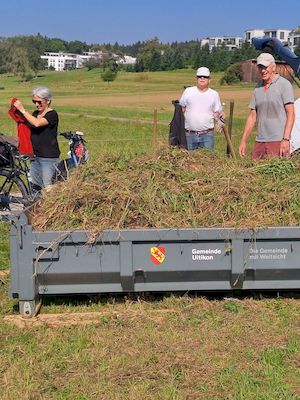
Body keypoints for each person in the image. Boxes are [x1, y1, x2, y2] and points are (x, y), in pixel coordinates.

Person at [239, 53, 295, 159]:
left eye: (265, 67)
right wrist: (243, 141)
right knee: (256, 173)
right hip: (260, 141)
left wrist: (286, 139)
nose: (263, 70)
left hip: (278, 141)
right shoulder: (257, 88)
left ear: (273, 67)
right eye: (260, 67)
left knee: (276, 174)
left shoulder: (284, 85)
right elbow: (252, 116)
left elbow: (291, 113)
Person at [13, 86, 60, 191]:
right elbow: (29, 124)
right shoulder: (35, 113)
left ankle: (50, 207)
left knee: (49, 187)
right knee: (35, 186)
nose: (36, 104)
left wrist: (23, 110)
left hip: (48, 158)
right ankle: (36, 207)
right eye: (34, 101)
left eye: (39, 101)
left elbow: (37, 123)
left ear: (48, 101)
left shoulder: (52, 114)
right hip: (34, 156)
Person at [179, 67, 224, 151]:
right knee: (188, 162)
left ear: (209, 79)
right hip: (189, 135)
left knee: (207, 161)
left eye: (205, 77)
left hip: (207, 136)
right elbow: (182, 109)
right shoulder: (188, 91)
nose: (202, 78)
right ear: (196, 78)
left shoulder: (214, 94)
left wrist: (219, 122)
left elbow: (217, 112)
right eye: (200, 76)